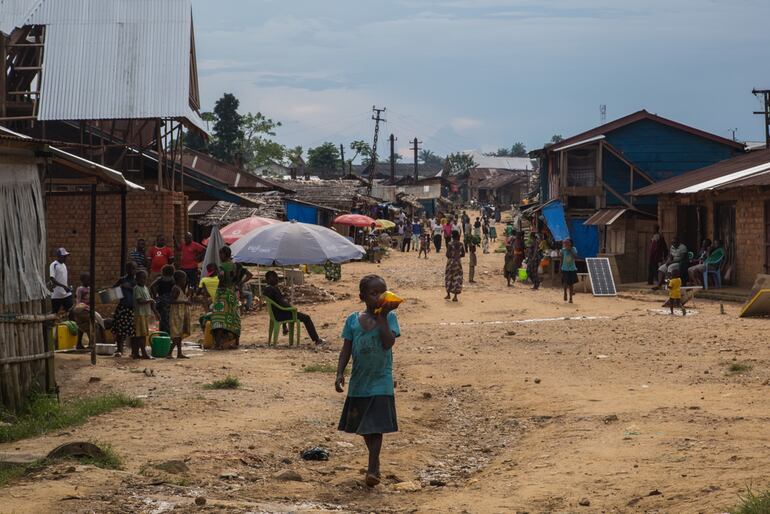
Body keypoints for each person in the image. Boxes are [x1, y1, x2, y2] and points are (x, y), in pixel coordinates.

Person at [335, 274, 400, 488]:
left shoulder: (389, 318)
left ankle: (372, 467)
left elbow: (388, 342)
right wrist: (339, 373)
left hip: (381, 380)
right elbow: (346, 349)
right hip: (359, 382)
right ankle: (375, 460)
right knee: (363, 426)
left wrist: (383, 316)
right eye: (373, 293)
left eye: (382, 292)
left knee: (376, 425)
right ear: (362, 297)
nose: (379, 297)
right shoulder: (353, 320)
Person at [263, 270, 326, 345]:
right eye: (275, 278)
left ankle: (284, 327)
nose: (277, 280)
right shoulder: (274, 289)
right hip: (281, 315)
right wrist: (292, 308)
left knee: (290, 311)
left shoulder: (266, 290)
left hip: (275, 314)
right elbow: (282, 304)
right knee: (306, 318)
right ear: (269, 280)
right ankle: (316, 340)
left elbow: (279, 303)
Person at [211, 246, 252, 349]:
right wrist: (240, 283)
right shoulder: (236, 266)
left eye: (221, 254)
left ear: (226, 254)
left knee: (219, 318)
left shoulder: (222, 266)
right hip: (233, 294)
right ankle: (236, 342)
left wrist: (219, 276)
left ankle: (218, 344)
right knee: (234, 317)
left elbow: (221, 277)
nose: (220, 256)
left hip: (222, 295)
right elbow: (249, 275)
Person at [112, 261, 137, 357]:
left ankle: (134, 351)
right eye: (129, 268)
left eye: (133, 268)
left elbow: (139, 291)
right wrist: (120, 288)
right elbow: (113, 290)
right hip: (123, 307)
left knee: (133, 331)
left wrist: (128, 288)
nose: (131, 270)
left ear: (136, 269)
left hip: (133, 309)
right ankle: (119, 350)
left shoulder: (137, 280)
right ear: (126, 269)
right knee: (120, 330)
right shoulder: (122, 280)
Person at [131, 270, 157, 359]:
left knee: (142, 334)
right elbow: (140, 301)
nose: (143, 280)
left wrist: (155, 312)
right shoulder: (137, 288)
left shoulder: (145, 288)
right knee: (140, 335)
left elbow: (149, 301)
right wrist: (150, 300)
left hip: (145, 314)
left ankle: (137, 353)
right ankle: (143, 353)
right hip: (139, 314)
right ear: (136, 279)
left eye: (145, 278)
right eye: (141, 278)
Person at [168, 270, 191, 359]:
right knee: (177, 335)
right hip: (176, 315)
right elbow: (171, 301)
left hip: (181, 315)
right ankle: (169, 353)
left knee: (180, 334)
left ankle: (179, 353)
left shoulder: (181, 289)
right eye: (184, 279)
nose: (185, 281)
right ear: (179, 279)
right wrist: (184, 302)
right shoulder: (176, 288)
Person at [150, 264, 175, 335]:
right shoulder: (172, 280)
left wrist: (154, 296)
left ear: (162, 272)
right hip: (169, 301)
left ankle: (161, 333)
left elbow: (152, 286)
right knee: (168, 318)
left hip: (161, 300)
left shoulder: (160, 279)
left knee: (162, 318)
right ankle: (167, 334)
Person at [49, 248, 73, 314]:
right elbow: (52, 279)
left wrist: (68, 286)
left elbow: (63, 278)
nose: (65, 258)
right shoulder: (54, 265)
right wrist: (64, 286)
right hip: (57, 295)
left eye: (66, 256)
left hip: (66, 294)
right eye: (64, 256)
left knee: (71, 312)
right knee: (54, 313)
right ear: (58, 256)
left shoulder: (64, 265)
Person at [444, 230, 465, 301]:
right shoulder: (461, 244)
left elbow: (447, 254)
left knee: (449, 277)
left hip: (450, 262)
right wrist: (458, 256)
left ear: (452, 236)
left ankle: (448, 294)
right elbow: (463, 254)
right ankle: (455, 296)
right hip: (458, 263)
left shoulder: (450, 244)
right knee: (457, 278)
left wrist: (452, 256)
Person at [561, 238, 579, 303]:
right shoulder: (563, 250)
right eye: (565, 243)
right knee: (565, 283)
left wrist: (570, 250)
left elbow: (575, 257)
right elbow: (562, 259)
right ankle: (565, 293)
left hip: (572, 269)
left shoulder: (574, 249)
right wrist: (561, 267)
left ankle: (571, 298)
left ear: (571, 243)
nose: (566, 244)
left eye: (567, 243)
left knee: (571, 284)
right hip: (565, 268)